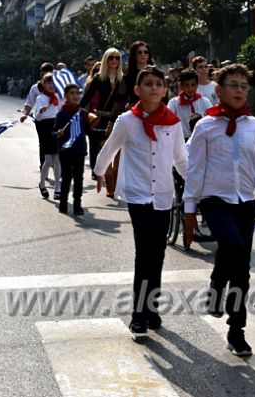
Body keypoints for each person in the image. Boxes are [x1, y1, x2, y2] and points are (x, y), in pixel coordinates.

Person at [183, 63, 255, 357]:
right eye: (233, 85)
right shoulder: (205, 126)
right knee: (232, 244)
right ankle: (216, 284)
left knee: (243, 271)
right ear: (219, 90)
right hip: (214, 200)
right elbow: (194, 168)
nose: (239, 90)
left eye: (243, 85)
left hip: (245, 203)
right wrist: (189, 209)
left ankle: (236, 330)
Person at [94, 66, 187, 339]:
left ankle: (152, 309)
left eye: (159, 84)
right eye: (148, 83)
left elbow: (181, 160)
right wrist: (100, 172)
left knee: (157, 253)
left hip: (163, 196)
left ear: (165, 89)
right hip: (138, 195)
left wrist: (197, 186)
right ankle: (138, 314)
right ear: (137, 89)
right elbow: (109, 148)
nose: (154, 88)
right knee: (144, 251)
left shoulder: (173, 122)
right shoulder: (127, 121)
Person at [80, 48, 127, 190]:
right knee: (104, 148)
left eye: (117, 58)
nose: (114, 60)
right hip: (102, 117)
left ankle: (114, 176)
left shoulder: (123, 79)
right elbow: (85, 99)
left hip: (119, 118)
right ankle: (109, 183)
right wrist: (75, 111)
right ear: (106, 60)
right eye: (111, 58)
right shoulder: (99, 78)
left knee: (118, 150)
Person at [55, 84, 90, 215]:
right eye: (72, 93)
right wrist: (57, 133)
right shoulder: (61, 114)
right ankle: (63, 203)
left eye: (77, 93)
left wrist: (106, 132)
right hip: (66, 151)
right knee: (67, 177)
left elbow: (89, 132)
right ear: (65, 96)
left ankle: (77, 205)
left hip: (79, 150)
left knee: (79, 178)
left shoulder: (82, 113)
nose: (75, 96)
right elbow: (54, 132)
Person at [20, 63, 54, 169]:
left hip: (55, 119)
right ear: (41, 73)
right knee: (43, 144)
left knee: (56, 143)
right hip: (41, 120)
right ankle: (43, 166)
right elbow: (29, 103)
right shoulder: (35, 88)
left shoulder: (59, 86)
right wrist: (25, 114)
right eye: (45, 72)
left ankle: (56, 165)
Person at [34, 73, 62, 200]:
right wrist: (41, 111)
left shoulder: (58, 97)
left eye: (53, 83)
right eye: (49, 83)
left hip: (56, 128)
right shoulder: (40, 98)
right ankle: (42, 183)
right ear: (44, 84)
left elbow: (61, 112)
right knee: (48, 160)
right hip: (45, 128)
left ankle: (57, 187)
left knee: (57, 159)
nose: (51, 85)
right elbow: (37, 118)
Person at [167, 68, 212, 140]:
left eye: (193, 85)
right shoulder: (174, 103)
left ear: (197, 85)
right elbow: (169, 123)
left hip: (202, 139)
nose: (190, 88)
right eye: (186, 85)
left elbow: (211, 121)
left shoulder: (205, 102)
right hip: (182, 140)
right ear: (181, 86)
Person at [124, 41, 153, 106]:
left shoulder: (155, 73)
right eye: (139, 52)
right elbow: (122, 97)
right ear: (134, 55)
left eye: (146, 52)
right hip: (135, 108)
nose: (143, 54)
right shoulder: (128, 75)